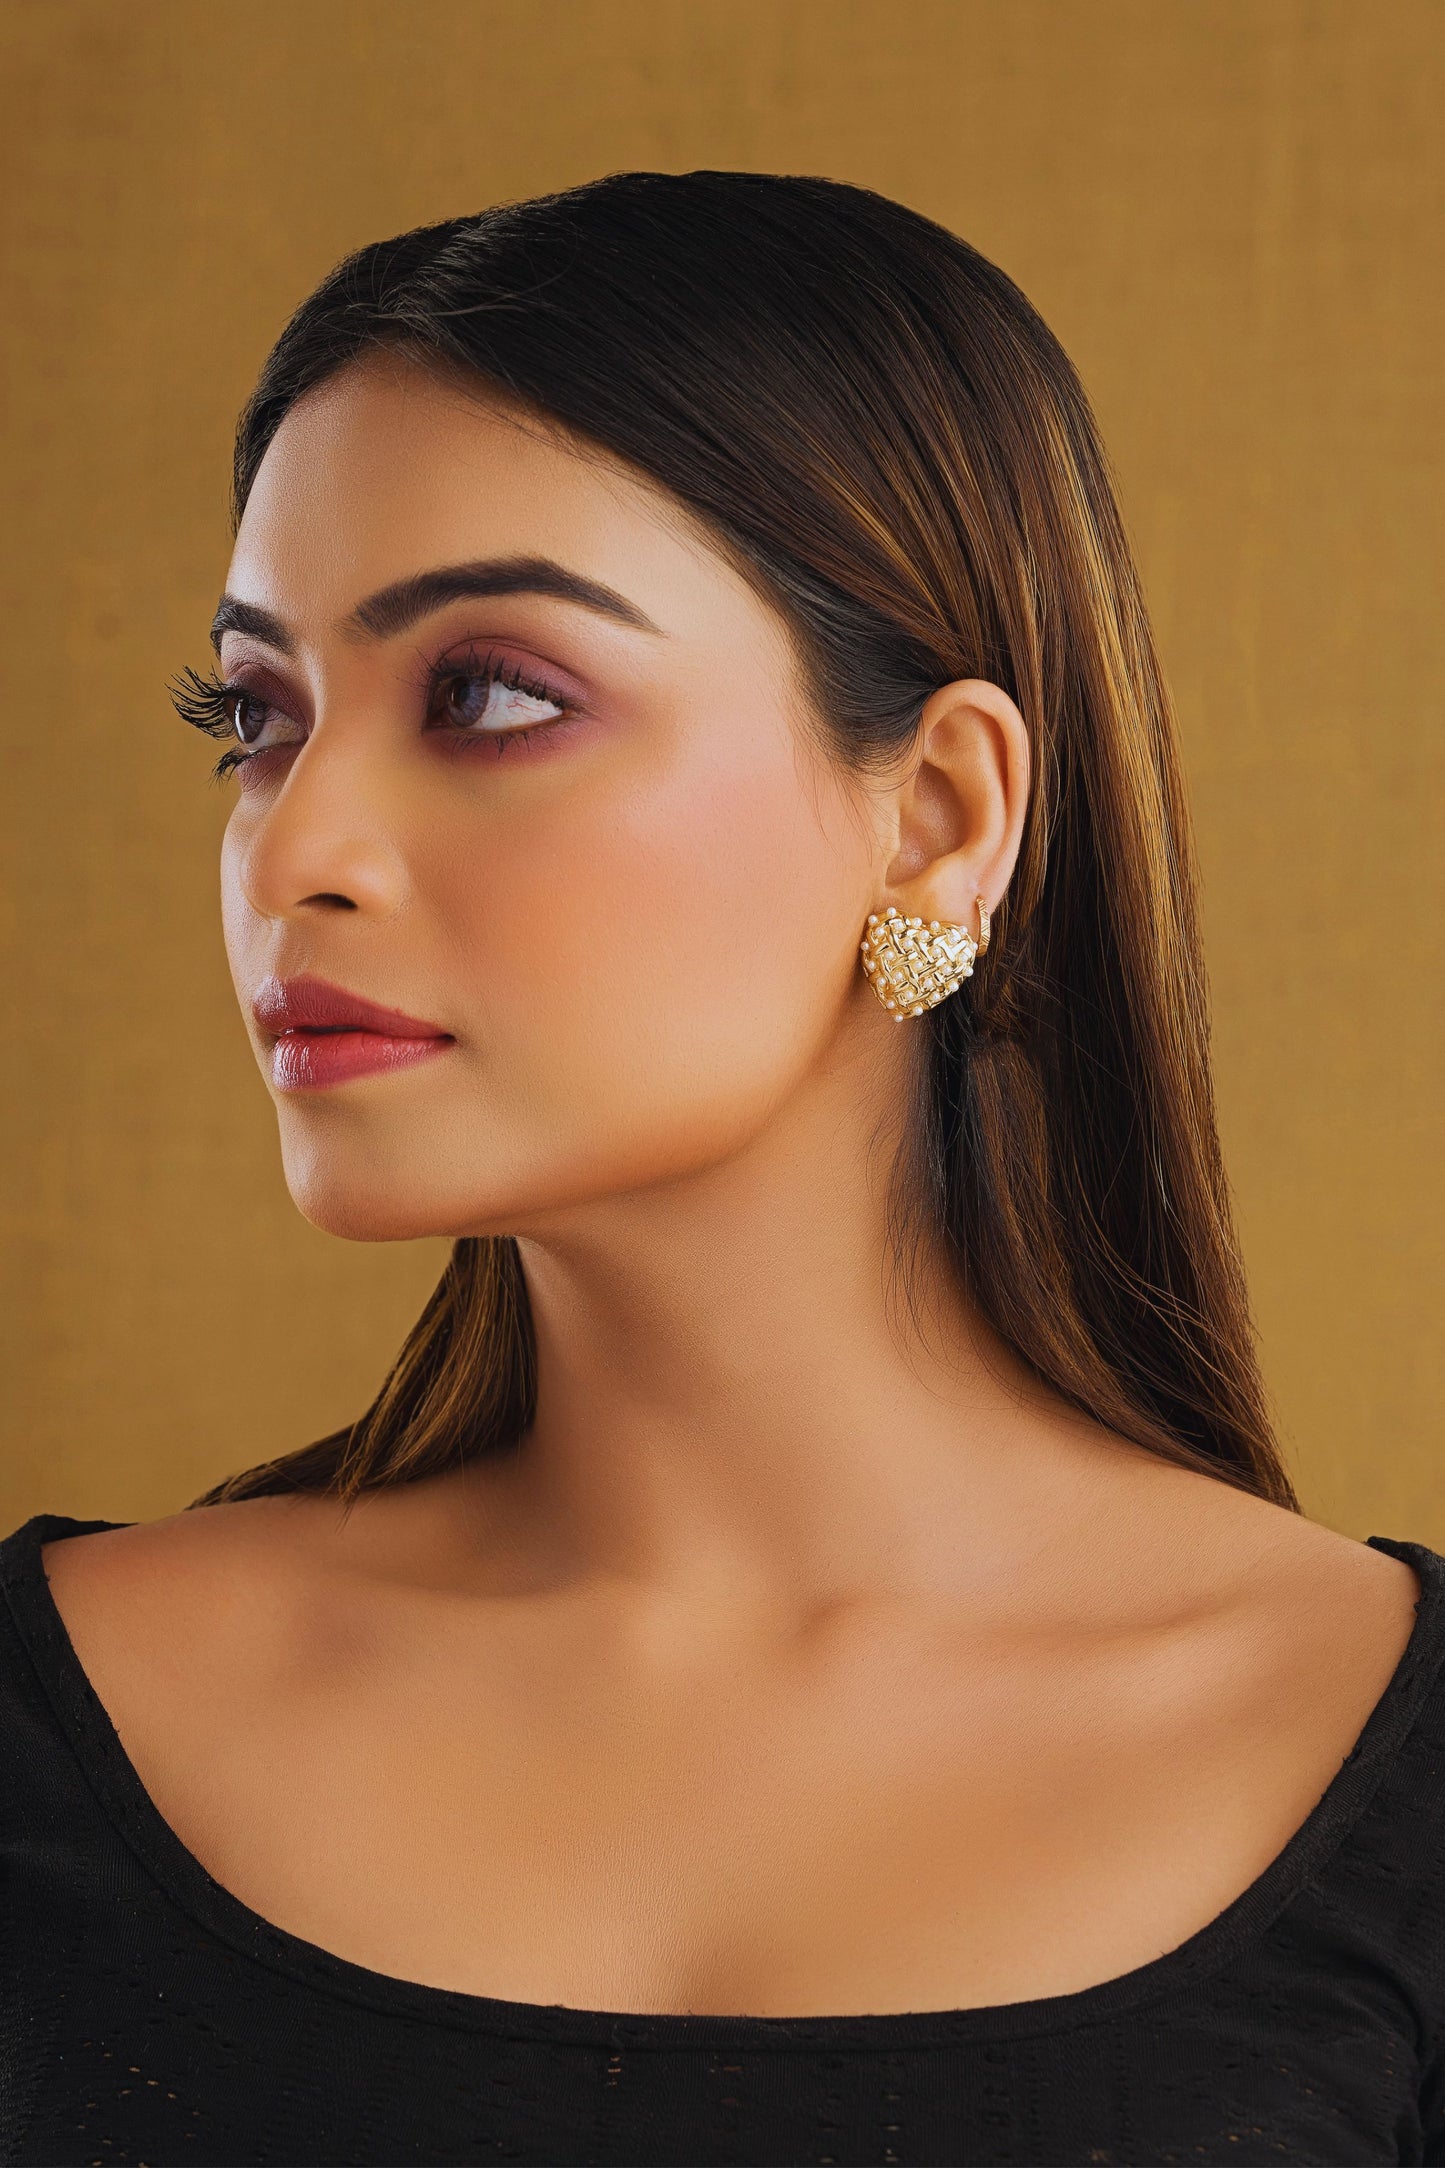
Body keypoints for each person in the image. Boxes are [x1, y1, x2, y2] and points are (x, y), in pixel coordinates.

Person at [2, 169, 1440, 2168]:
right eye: (256, 714)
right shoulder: (47, 1721)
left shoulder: (1390, 1775)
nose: (294, 846)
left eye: (491, 695)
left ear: (939, 815)